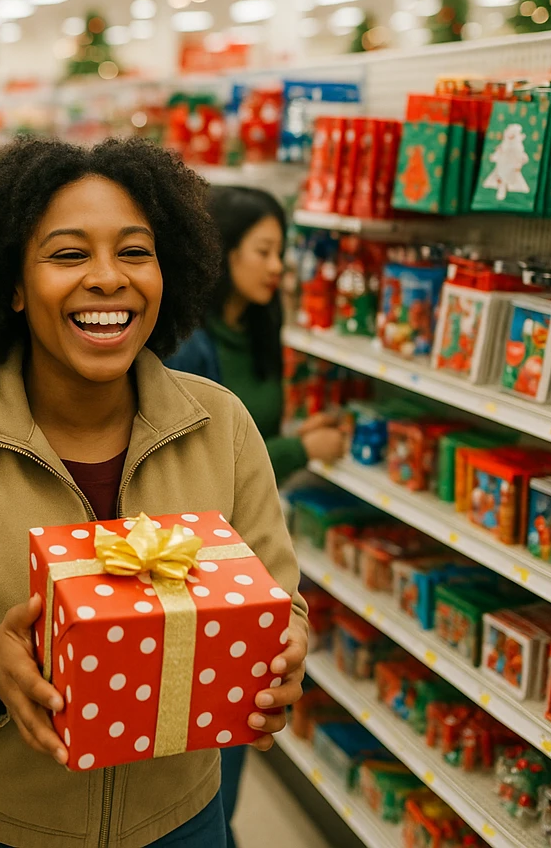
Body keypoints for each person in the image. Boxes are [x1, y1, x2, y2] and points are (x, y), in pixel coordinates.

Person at [0, 137, 309, 848]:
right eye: (69, 254)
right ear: (13, 284)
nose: (109, 278)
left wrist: (283, 656)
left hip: (178, 823)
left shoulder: (222, 427)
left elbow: (280, 600)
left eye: (135, 252)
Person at [167, 185, 346, 847]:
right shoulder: (188, 345)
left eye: (284, 252)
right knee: (206, 732)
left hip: (253, 557)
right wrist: (302, 448)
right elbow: (204, 464)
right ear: (220, 252)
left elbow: (244, 436)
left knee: (238, 722)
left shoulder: (258, 328)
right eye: (264, 251)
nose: (279, 267)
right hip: (202, 564)